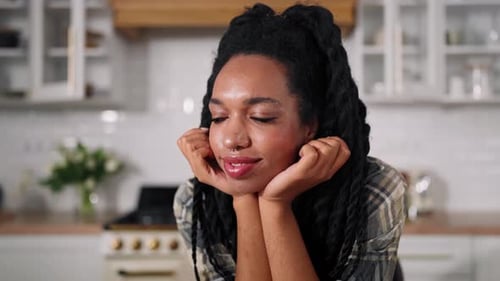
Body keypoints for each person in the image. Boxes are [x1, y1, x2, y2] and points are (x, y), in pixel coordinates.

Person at [175, 3, 405, 281]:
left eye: (261, 117)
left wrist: (275, 205)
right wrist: (243, 199)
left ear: (310, 126)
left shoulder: (373, 193)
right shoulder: (195, 201)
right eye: (219, 116)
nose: (231, 140)